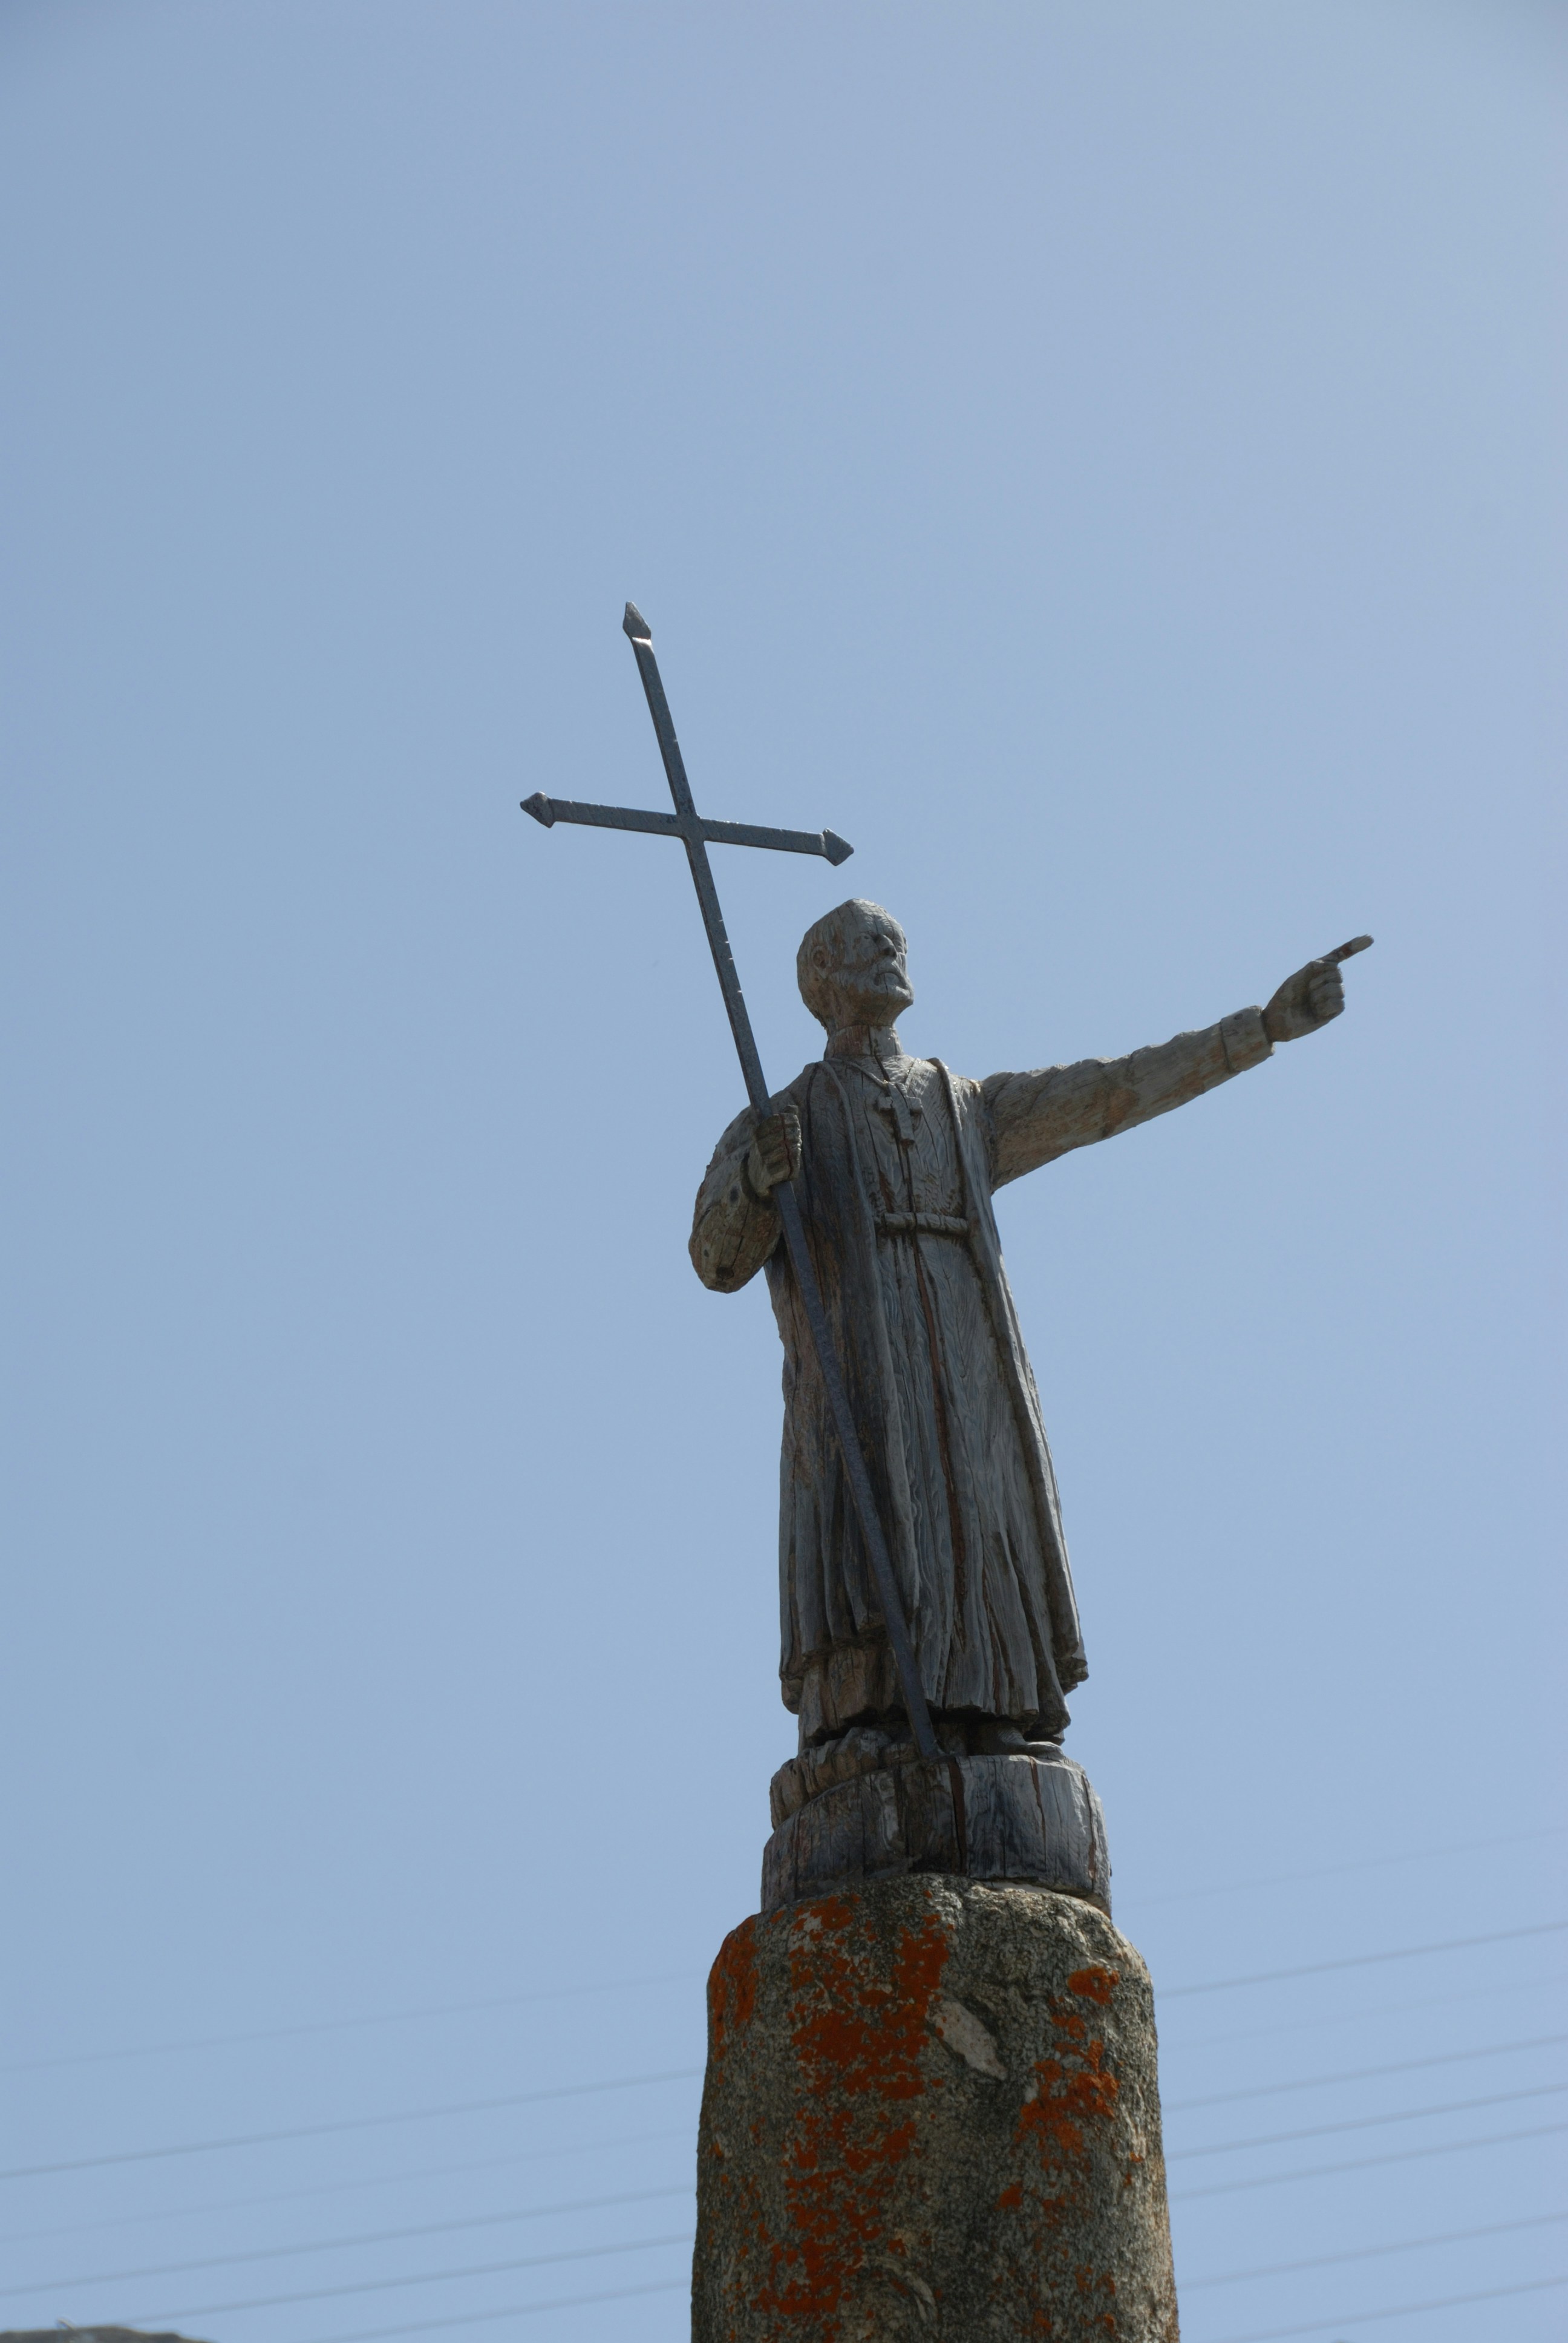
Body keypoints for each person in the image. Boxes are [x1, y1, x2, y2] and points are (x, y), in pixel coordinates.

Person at [690, 899, 1354, 1758]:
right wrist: (754, 1177)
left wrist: (1259, 1029)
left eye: (894, 938)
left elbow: (1108, 1093)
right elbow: (716, 1259)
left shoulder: (967, 1105)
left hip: (969, 1347)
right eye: (865, 942)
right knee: (877, 1516)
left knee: (981, 1506)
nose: (889, 949)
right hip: (859, 1366)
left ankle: (993, 1703)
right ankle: (867, 1713)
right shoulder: (786, 1117)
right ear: (821, 977)